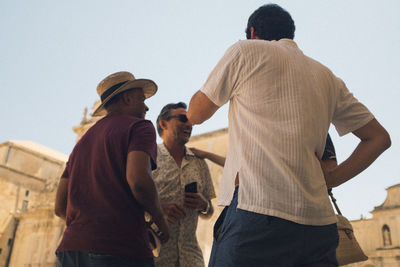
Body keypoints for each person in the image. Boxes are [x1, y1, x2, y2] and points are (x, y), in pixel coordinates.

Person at [187, 4, 391, 266]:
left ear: (252, 32)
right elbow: (379, 138)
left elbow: (195, 114)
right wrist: (333, 178)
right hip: (318, 226)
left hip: (257, 213)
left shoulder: (245, 50)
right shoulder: (327, 76)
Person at [54, 71, 169, 267]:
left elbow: (59, 207)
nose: (147, 106)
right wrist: (160, 220)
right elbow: (139, 180)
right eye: (142, 99)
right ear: (127, 98)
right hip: (120, 247)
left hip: (71, 250)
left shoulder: (82, 143)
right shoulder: (140, 127)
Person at [152, 102, 216, 267]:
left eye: (191, 121)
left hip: (191, 258)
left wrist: (204, 205)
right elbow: (129, 200)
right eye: (183, 118)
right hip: (155, 258)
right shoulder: (148, 158)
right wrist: (157, 209)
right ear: (163, 123)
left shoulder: (199, 163)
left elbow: (209, 211)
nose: (189, 124)